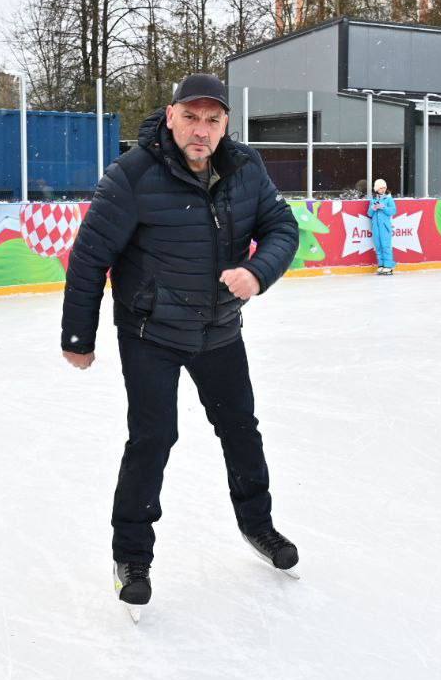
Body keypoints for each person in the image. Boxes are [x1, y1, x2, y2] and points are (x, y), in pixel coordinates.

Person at [60, 73, 300, 610]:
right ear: (170, 116)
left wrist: (258, 272)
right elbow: (89, 257)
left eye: (212, 120)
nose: (201, 129)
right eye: (191, 117)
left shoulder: (245, 168)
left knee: (241, 428)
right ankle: (132, 556)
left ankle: (258, 526)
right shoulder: (132, 175)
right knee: (153, 438)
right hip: (150, 332)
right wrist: (79, 334)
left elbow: (283, 228)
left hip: (219, 329)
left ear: (225, 126)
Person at [368, 178, 397, 274]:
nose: (383, 190)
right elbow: (369, 214)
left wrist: (383, 207)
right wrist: (373, 208)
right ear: (376, 189)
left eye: (384, 188)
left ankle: (388, 265)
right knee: (378, 246)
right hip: (376, 226)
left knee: (386, 246)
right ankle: (381, 264)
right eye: (381, 188)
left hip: (384, 226)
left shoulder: (388, 199)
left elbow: (393, 211)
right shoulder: (373, 200)